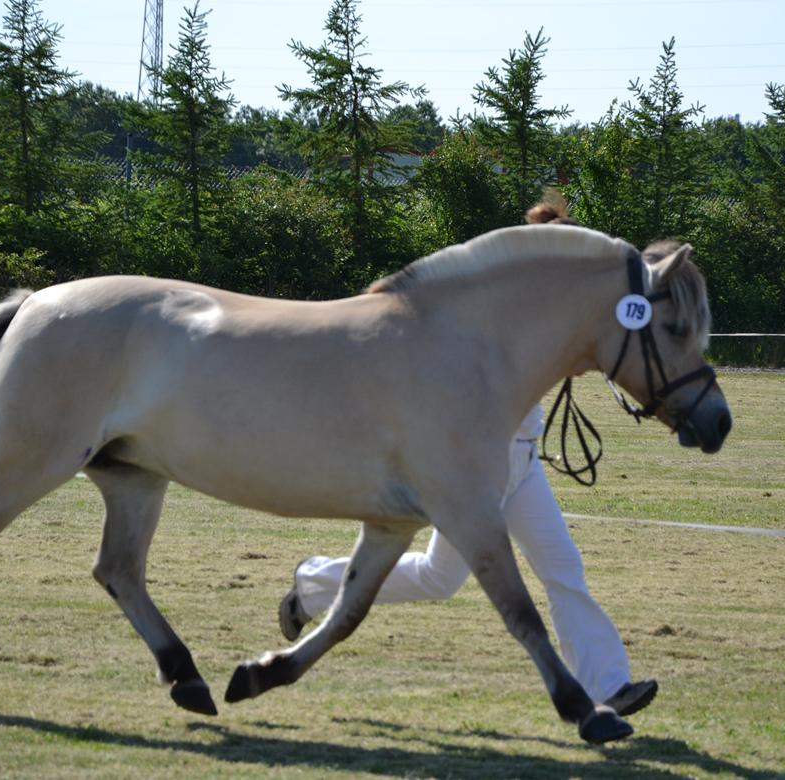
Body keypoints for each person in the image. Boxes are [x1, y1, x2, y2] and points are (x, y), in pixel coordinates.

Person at [277, 202, 658, 717]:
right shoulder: (505, 301)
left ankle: (609, 686)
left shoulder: (553, 308)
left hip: (521, 461)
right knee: (441, 578)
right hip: (477, 465)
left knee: (561, 566)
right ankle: (314, 586)